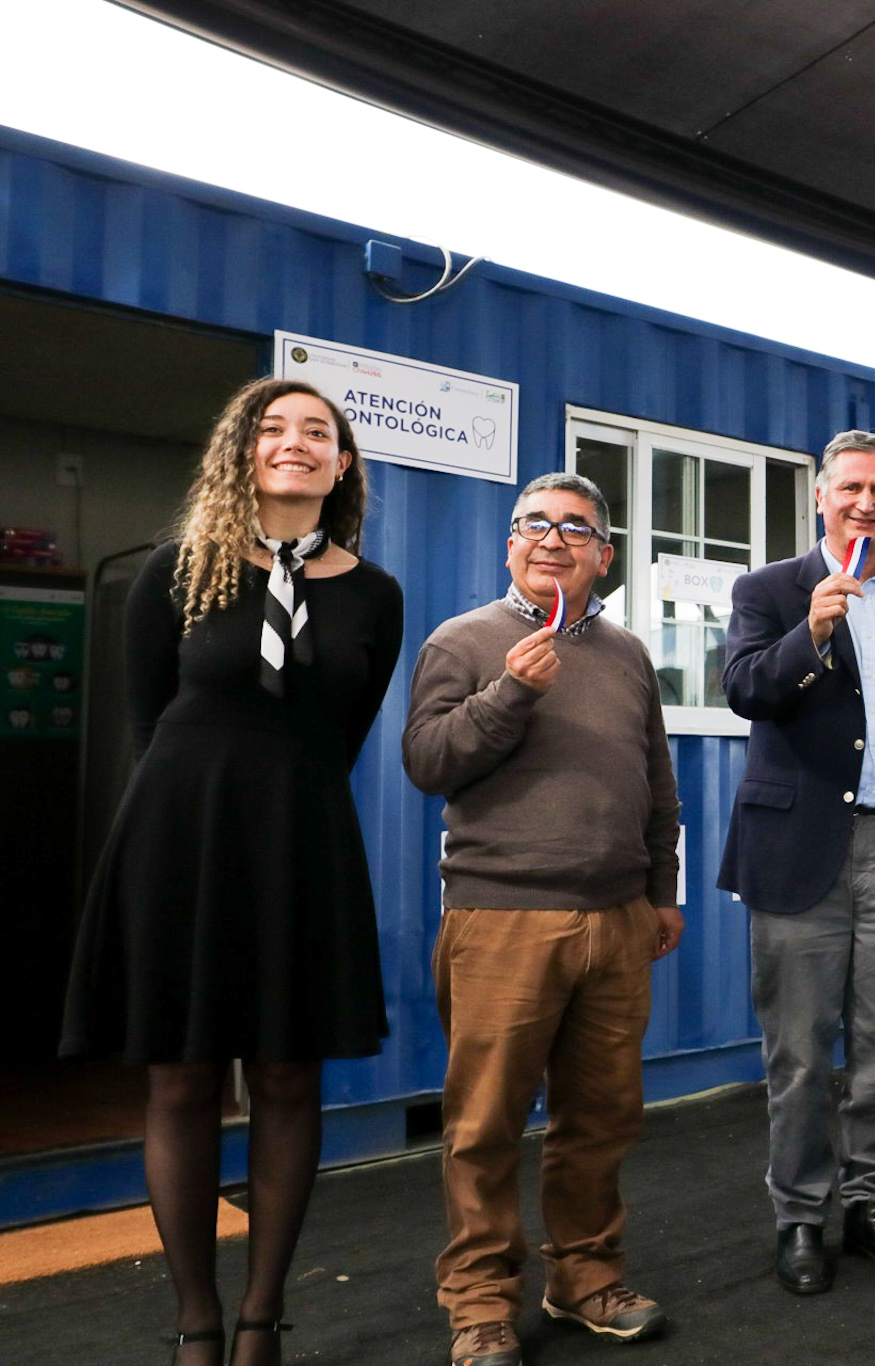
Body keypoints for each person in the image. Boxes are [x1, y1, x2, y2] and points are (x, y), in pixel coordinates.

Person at [61, 378, 403, 1366]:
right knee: (182, 1079)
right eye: (272, 429)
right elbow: (143, 726)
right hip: (180, 837)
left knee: (291, 1074)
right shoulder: (180, 568)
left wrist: (281, 805)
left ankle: (261, 1318)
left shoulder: (374, 592)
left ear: (341, 464)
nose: (294, 443)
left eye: (317, 432)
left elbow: (342, 731)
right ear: (241, 453)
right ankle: (196, 1321)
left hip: (300, 841)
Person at [403, 472, 683, 1366]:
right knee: (484, 1128)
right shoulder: (465, 639)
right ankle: (481, 1304)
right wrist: (508, 696)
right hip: (501, 919)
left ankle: (586, 1277)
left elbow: (658, 786)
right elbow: (429, 762)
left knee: (601, 1117)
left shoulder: (630, 653)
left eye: (576, 527)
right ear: (510, 545)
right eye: (535, 524)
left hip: (618, 919)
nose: (553, 538)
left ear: (604, 555)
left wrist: (663, 892)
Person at [720, 429, 875, 1295]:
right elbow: (745, 689)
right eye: (852, 488)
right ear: (820, 497)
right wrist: (811, 630)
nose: (867, 504)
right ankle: (798, 1216)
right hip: (795, 847)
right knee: (796, 1048)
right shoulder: (767, 590)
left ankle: (871, 1205)